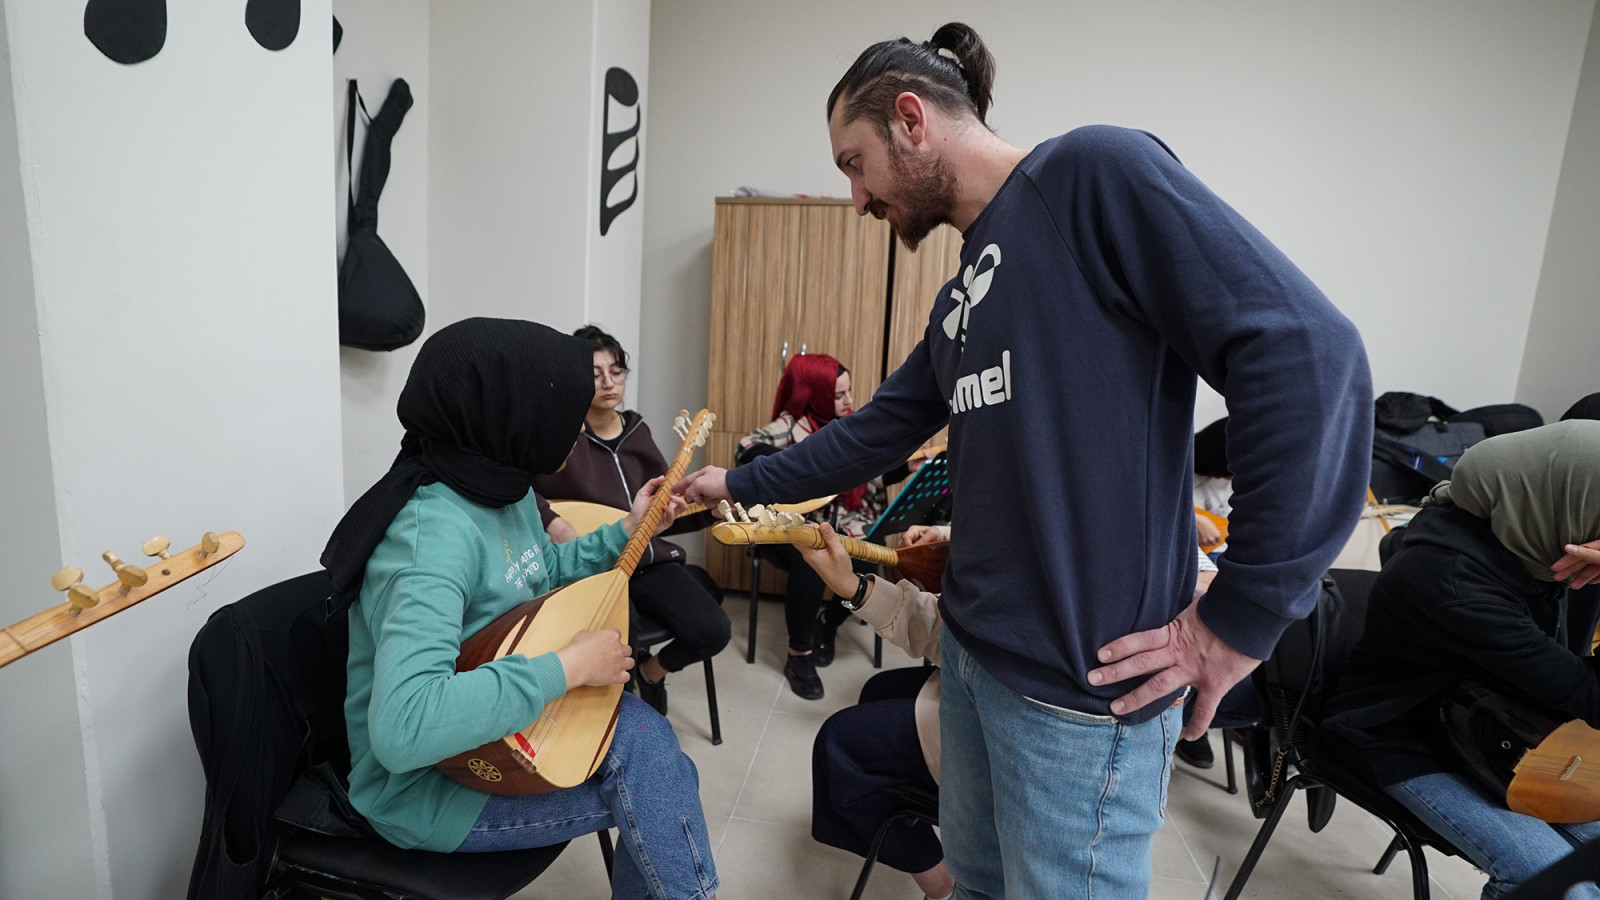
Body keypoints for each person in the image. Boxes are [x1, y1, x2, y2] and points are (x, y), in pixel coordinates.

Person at [678, 21, 1371, 898]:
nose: (855, 199)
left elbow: (1310, 357)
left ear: (911, 120)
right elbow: (874, 430)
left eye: (855, 163)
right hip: (975, 662)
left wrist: (1241, 617)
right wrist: (733, 483)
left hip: (1079, 696)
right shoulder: (962, 296)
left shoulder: (1093, 175)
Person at [320, 318, 719, 900]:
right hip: (428, 790)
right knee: (657, 771)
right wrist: (567, 668)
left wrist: (632, 528)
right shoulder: (430, 541)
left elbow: (540, 573)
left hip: (497, 733)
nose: (576, 426)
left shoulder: (500, 489)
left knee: (660, 772)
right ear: (512, 414)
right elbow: (405, 728)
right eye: (563, 410)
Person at [802, 523, 1218, 900]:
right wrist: (950, 541)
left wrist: (1231, 628)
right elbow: (960, 632)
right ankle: (948, 863)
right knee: (879, 692)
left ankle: (944, 882)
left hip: (1046, 722)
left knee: (842, 743)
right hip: (994, 679)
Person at [1320, 421, 1600, 900]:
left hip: (1518, 730)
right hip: (1408, 741)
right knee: (1556, 886)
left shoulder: (1542, 542)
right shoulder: (1450, 582)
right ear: (1567, 495)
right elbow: (1588, 694)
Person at [533, 324, 732, 716]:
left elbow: (662, 513)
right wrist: (552, 521)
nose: (609, 382)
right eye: (595, 374)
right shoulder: (561, 434)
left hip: (649, 558)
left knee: (714, 630)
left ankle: (651, 672)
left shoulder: (638, 431)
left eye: (617, 371)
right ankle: (621, 722)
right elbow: (520, 486)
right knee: (618, 647)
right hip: (595, 567)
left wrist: (708, 512)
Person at [736, 351, 904, 700]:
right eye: (838, 395)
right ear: (817, 394)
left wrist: (909, 466)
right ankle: (799, 654)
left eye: (849, 391)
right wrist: (801, 470)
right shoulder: (791, 426)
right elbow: (747, 448)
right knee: (810, 556)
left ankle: (827, 624)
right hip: (789, 528)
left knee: (868, 555)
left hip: (844, 523)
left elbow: (873, 475)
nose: (849, 401)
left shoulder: (853, 429)